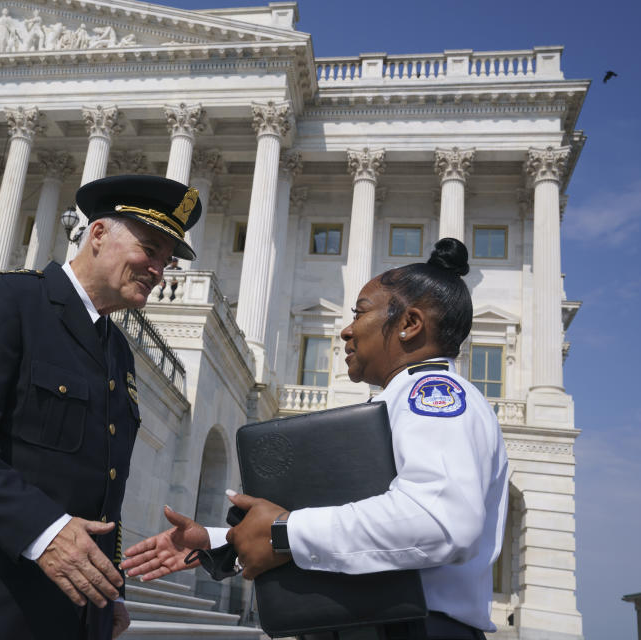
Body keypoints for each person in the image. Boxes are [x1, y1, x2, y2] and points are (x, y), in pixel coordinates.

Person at [122, 238, 509, 640]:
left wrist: (283, 533)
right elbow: (350, 518)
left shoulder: (431, 395)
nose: (346, 330)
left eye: (360, 313)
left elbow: (440, 522)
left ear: (409, 325)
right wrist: (221, 540)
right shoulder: (398, 401)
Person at [0, 175, 203, 640]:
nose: (159, 269)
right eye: (150, 248)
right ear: (98, 235)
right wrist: (44, 531)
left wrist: (111, 592)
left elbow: (107, 483)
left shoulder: (117, 349)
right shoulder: (9, 301)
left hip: (71, 609)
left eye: (167, 260)